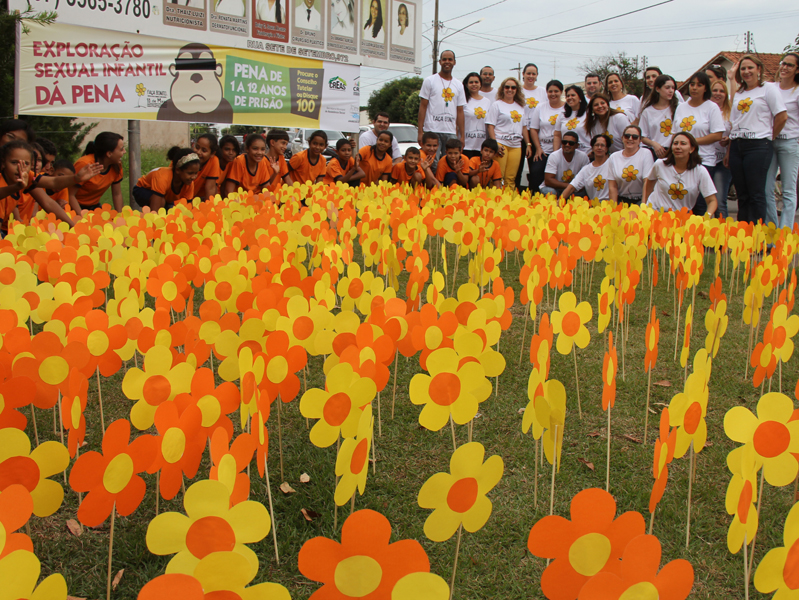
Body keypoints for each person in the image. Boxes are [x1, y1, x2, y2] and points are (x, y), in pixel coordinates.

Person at [727, 54, 787, 224]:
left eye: (750, 68)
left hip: (758, 146)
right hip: (738, 145)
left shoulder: (768, 89)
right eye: (743, 68)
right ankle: (743, 234)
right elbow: (735, 123)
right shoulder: (739, 93)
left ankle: (758, 237)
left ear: (759, 69)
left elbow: (782, 116)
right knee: (742, 193)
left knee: (756, 193)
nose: (746, 71)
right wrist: (730, 151)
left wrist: (768, 136)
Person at [673, 72, 725, 215]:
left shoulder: (711, 107)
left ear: (706, 88)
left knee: (701, 205)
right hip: (681, 162)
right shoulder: (681, 107)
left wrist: (691, 143)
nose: (694, 88)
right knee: (683, 204)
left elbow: (717, 135)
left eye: (699, 85)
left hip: (704, 160)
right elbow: (674, 133)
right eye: (692, 84)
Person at [0, 141, 76, 236]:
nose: (20, 168)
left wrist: (77, 178)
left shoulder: (27, 176)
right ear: (3, 163)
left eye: (26, 163)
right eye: (14, 162)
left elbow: (51, 191)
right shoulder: (10, 180)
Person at [644, 131, 718, 215]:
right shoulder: (660, 164)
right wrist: (645, 206)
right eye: (675, 143)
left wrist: (707, 216)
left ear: (692, 149)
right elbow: (649, 182)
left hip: (682, 216)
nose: (678, 147)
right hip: (656, 213)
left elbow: (712, 201)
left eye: (683, 144)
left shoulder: (700, 171)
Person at [765, 52, 799, 229]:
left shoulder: (797, 90)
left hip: (790, 142)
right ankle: (772, 231)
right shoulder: (771, 87)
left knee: (788, 190)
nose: (784, 67)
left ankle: (784, 233)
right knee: (766, 188)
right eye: (783, 63)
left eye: (790, 65)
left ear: (797, 69)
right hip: (769, 142)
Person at [417, 50, 466, 159]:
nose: (447, 62)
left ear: (454, 62)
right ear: (440, 62)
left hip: (450, 131)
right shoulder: (430, 80)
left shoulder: (458, 85)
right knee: (432, 162)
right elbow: (423, 106)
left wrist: (462, 136)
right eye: (444, 59)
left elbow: (460, 111)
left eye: (450, 59)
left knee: (449, 162)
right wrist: (420, 131)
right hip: (432, 129)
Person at [524, 79, 566, 194]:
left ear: (561, 92)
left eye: (556, 91)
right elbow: (533, 129)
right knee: (535, 172)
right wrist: (538, 148)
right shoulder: (541, 107)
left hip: (561, 151)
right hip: (543, 150)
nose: (553, 94)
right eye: (550, 91)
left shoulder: (566, 108)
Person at [70, 131, 125, 213]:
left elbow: (117, 194)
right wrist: (81, 218)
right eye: (121, 149)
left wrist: (121, 218)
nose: (124, 151)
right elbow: (70, 195)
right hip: (74, 207)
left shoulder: (116, 165)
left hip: (94, 207)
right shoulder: (84, 164)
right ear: (109, 154)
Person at [487, 77, 525, 190]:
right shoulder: (497, 105)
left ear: (517, 90)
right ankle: (494, 200)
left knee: (511, 178)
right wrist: (495, 144)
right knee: (498, 177)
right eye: (507, 87)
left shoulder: (521, 107)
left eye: (513, 87)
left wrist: (528, 144)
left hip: (516, 146)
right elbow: (490, 125)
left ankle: (508, 202)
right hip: (501, 143)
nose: (510, 89)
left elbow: (524, 127)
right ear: (502, 89)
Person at [133, 147, 200, 212]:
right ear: (177, 170)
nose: (193, 177)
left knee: (171, 208)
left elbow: (188, 207)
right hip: (142, 189)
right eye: (190, 173)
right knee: (161, 203)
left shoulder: (189, 183)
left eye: (196, 173)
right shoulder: (162, 177)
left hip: (164, 196)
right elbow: (155, 208)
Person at [608, 124, 654, 204]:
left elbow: (647, 181)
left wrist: (643, 206)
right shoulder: (613, 157)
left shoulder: (646, 153)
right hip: (622, 200)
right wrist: (613, 208)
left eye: (635, 137)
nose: (630, 139)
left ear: (640, 140)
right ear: (622, 138)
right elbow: (613, 186)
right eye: (627, 136)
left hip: (640, 199)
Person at [560, 134, 612, 200]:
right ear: (592, 148)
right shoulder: (586, 169)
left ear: (607, 149)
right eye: (597, 145)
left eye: (602, 145)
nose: (599, 147)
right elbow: (572, 187)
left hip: (611, 204)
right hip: (594, 205)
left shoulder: (612, 164)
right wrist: (559, 201)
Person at [639, 74, 679, 159]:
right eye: (667, 88)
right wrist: (654, 144)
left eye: (673, 88)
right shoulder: (648, 111)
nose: (671, 91)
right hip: (655, 152)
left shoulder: (679, 108)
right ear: (657, 89)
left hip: (675, 152)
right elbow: (642, 136)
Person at [710, 80, 733, 218]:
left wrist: (729, 140)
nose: (718, 93)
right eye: (715, 90)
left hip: (722, 161)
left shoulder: (731, 113)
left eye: (722, 91)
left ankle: (723, 235)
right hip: (706, 159)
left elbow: (736, 134)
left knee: (719, 200)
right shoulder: (706, 109)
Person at [542, 131, 590, 196]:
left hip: (573, 189)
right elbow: (548, 181)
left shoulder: (583, 157)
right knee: (550, 192)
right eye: (564, 142)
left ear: (577, 145)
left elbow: (585, 180)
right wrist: (570, 186)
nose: (567, 145)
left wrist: (571, 188)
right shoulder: (554, 156)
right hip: (555, 188)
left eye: (571, 143)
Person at [462, 72, 492, 159]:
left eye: (476, 82)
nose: (474, 84)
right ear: (466, 85)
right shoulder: (463, 100)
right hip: (466, 144)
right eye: (471, 82)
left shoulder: (487, 101)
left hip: (481, 145)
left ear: (480, 84)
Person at [554, 85, 590, 153]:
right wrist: (555, 153)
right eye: (568, 96)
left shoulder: (589, 114)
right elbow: (557, 135)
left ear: (580, 97)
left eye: (573, 95)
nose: (570, 98)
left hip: (586, 153)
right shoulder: (562, 114)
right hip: (567, 154)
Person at [193, 133, 222, 200]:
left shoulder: (214, 161)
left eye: (204, 150)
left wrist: (208, 208)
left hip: (197, 198)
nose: (198, 152)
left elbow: (210, 188)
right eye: (197, 147)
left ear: (212, 153)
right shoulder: (187, 157)